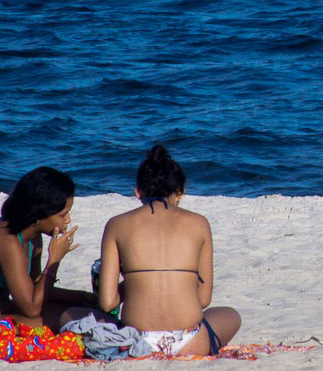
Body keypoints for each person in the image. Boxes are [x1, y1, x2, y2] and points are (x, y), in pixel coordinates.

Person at [97, 145, 241, 356]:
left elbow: (108, 302)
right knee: (231, 315)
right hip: (190, 341)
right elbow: (203, 300)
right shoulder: (199, 223)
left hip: (136, 341)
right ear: (181, 191)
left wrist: (134, 283)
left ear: (138, 191)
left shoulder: (116, 225)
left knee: (74, 314)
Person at [0, 166, 94, 349]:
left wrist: (83, 298)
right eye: (62, 214)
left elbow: (37, 289)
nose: (67, 220)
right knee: (58, 320)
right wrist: (54, 261)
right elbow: (32, 308)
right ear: (39, 215)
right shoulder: (7, 241)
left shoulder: (32, 238)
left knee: (78, 313)